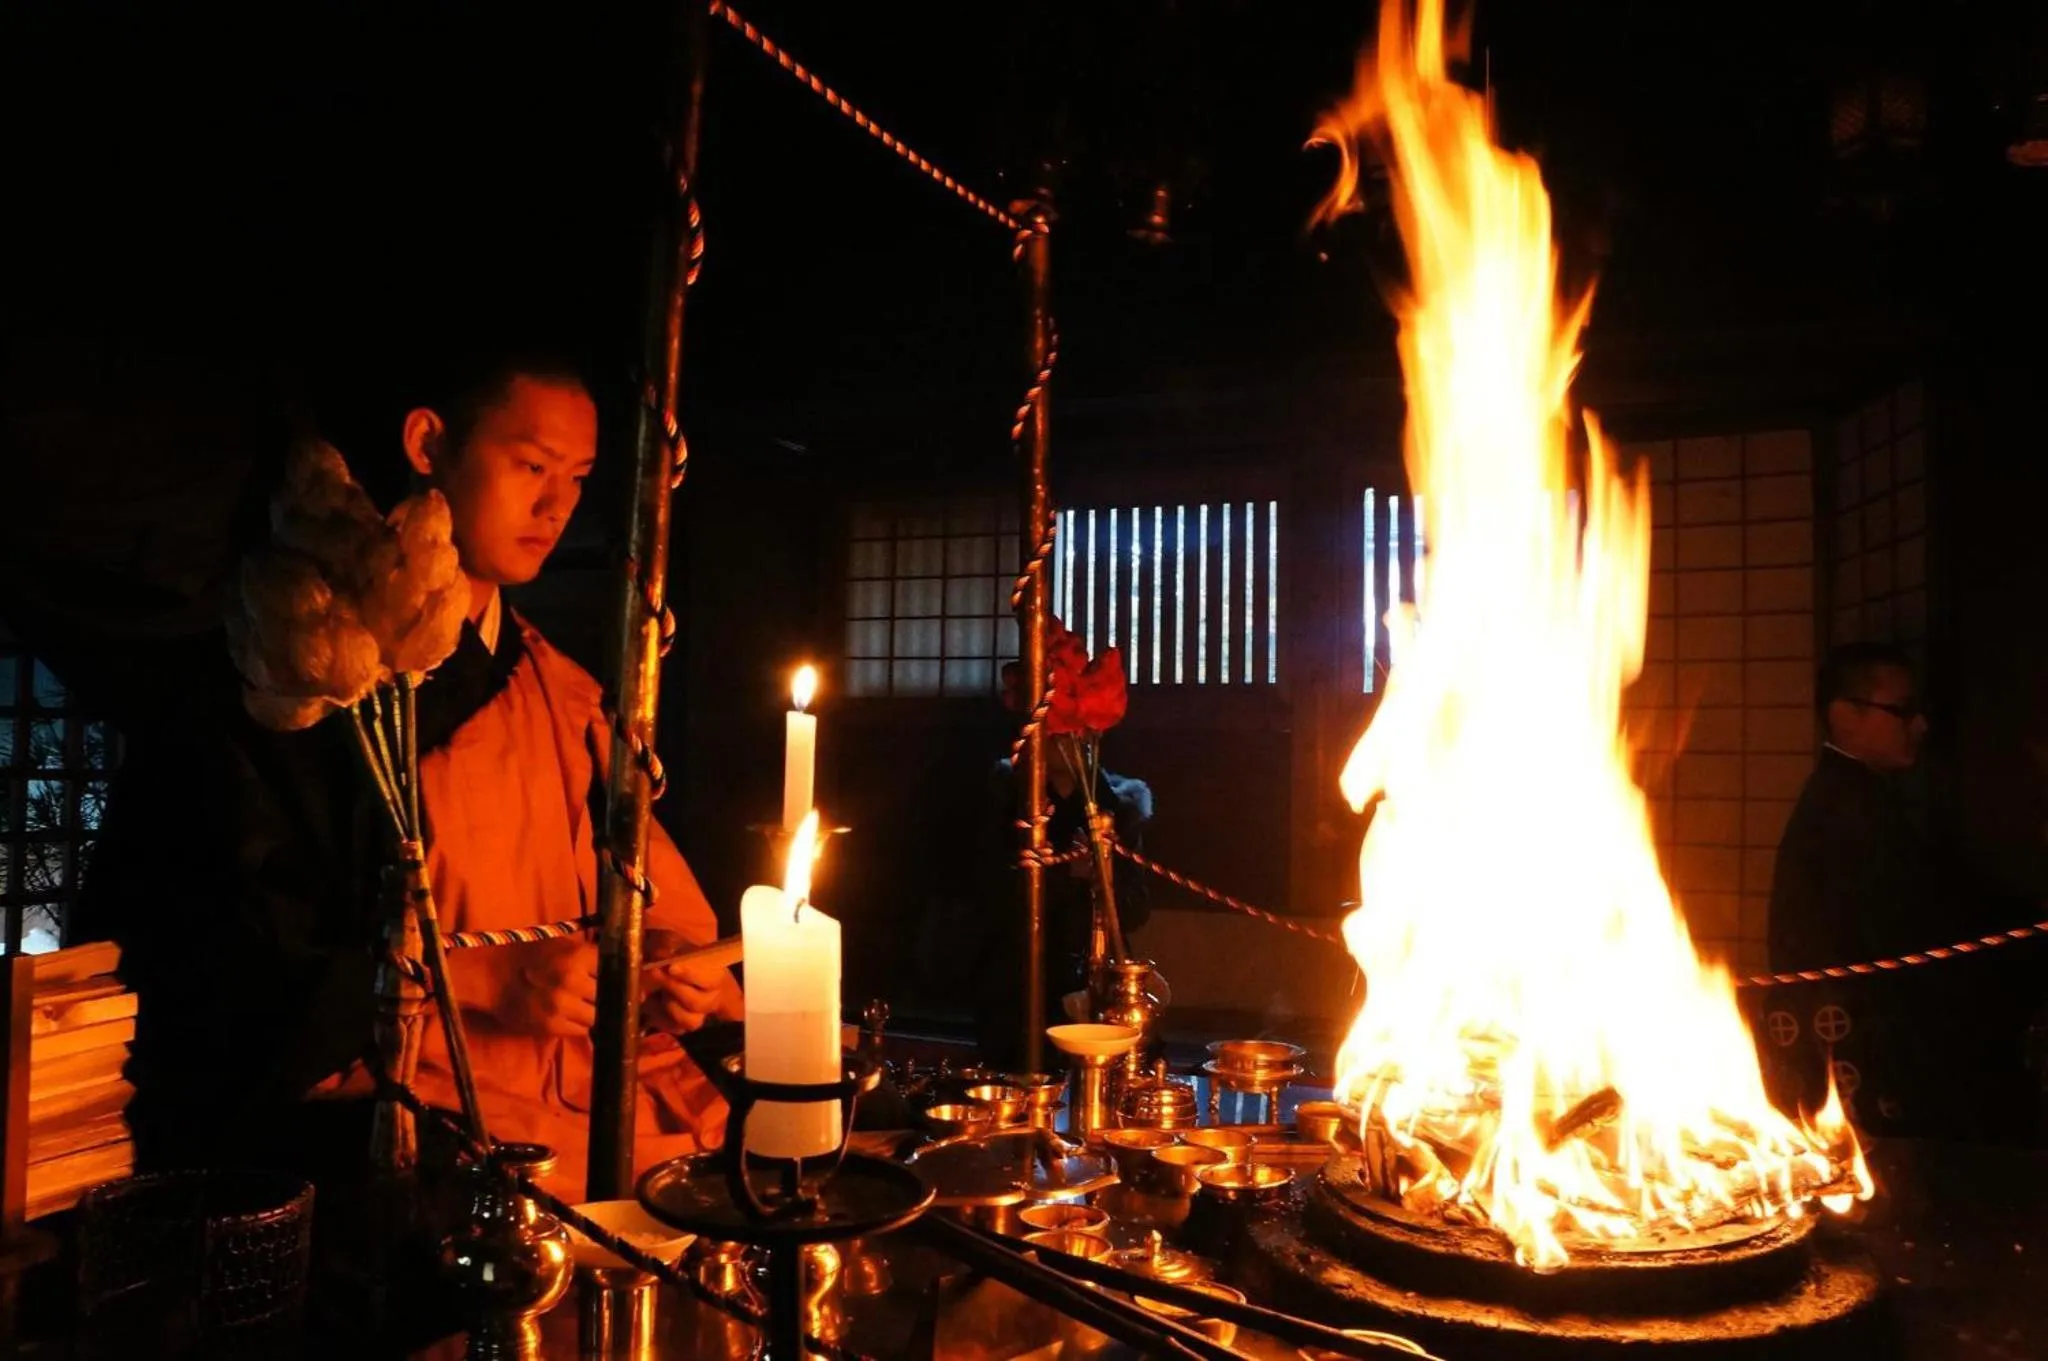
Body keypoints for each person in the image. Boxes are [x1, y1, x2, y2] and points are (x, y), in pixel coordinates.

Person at [1764, 642, 2036, 1138]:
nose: (1920, 726)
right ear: (1845, 715)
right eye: (1902, 711)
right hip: (1856, 1036)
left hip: (1861, 1027)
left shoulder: (1859, 798)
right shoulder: (1846, 811)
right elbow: (1916, 922)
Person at [972, 661, 1154, 1069]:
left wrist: (1101, 879)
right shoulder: (1007, 803)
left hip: (1095, 981)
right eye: (1060, 734)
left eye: (1081, 733)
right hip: (1018, 979)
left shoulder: (1116, 809)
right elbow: (987, 898)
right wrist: (1062, 876)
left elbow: (1137, 910)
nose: (1071, 742)